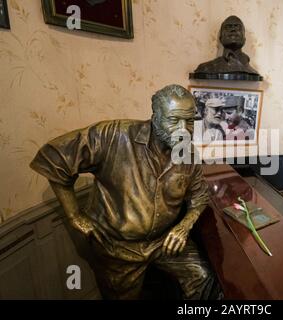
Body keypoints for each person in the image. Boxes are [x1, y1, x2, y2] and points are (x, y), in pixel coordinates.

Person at [29, 84, 221, 300]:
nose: (183, 129)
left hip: (163, 240)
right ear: (155, 116)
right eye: (174, 120)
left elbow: (200, 195)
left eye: (189, 121)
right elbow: (53, 158)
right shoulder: (113, 136)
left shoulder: (188, 153)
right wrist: (74, 215)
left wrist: (184, 227)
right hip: (118, 247)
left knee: (203, 278)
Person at [192, 16, 261, 78]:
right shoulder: (205, 68)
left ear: (244, 39)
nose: (233, 29)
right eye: (228, 27)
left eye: (237, 27)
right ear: (220, 38)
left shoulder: (251, 71)